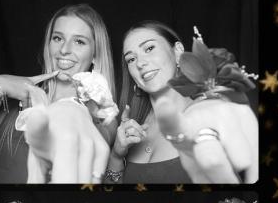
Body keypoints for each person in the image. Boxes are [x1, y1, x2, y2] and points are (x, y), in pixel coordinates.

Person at [0, 3, 117, 185]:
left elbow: (83, 128)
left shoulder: (102, 116)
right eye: (58, 38)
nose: (64, 49)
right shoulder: (14, 102)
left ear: (95, 55)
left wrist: (70, 109)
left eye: (79, 41)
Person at [105, 21, 258, 185]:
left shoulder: (209, 117)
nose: (140, 63)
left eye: (149, 48)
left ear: (178, 51)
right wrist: (116, 156)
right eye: (131, 59)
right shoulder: (131, 125)